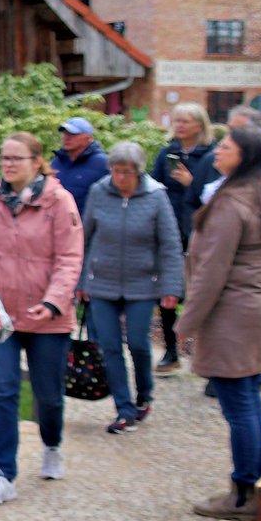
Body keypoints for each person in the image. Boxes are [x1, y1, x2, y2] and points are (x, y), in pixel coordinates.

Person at [0, 132, 83, 505]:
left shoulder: (59, 201)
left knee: (48, 396)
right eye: (5, 157)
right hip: (0, 315)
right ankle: (4, 475)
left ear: (37, 161)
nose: (9, 164)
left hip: (47, 316)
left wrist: (53, 302)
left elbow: (69, 258)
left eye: (18, 158)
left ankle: (52, 444)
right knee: (1, 391)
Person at [179, 126, 261, 519]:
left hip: (234, 313)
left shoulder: (231, 202)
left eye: (226, 147)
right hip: (257, 307)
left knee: (239, 404)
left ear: (244, 157)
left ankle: (242, 493)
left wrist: (186, 322)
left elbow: (212, 270)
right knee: (248, 400)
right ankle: (251, 485)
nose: (218, 152)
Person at [76, 142, 182, 434]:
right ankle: (124, 409)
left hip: (142, 284)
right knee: (109, 346)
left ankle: (144, 394)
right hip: (103, 282)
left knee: (137, 343)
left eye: (125, 172)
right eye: (115, 170)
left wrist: (171, 286)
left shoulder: (156, 196)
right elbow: (85, 238)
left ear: (138, 172)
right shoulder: (99, 192)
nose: (119, 177)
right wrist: (82, 281)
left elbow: (170, 245)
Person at [151, 103, 217, 374]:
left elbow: (217, 196)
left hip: (202, 234)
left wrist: (193, 184)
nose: (179, 126)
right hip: (170, 231)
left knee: (203, 295)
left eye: (186, 121)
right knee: (168, 292)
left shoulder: (211, 157)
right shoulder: (167, 153)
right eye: (176, 120)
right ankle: (171, 351)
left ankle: (209, 358)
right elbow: (153, 186)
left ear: (200, 125)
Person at [50, 117, 109, 214]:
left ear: (88, 138)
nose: (67, 138)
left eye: (73, 134)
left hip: (86, 225)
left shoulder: (103, 163)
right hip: (58, 222)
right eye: (65, 133)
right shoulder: (57, 161)